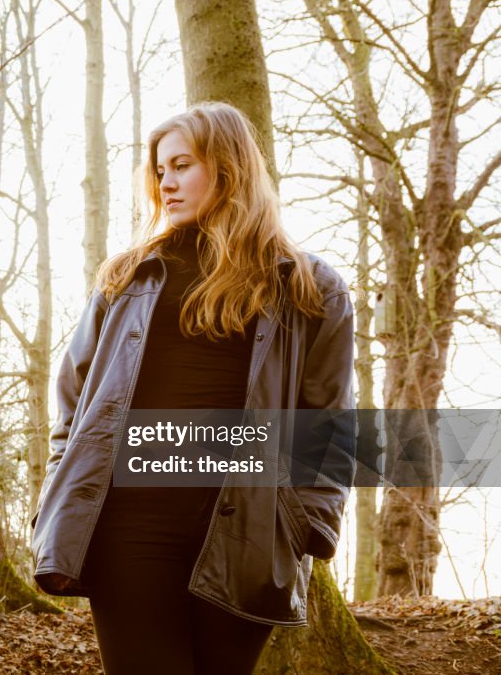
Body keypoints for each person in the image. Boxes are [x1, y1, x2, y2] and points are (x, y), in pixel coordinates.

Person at [30, 102, 356, 674]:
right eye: (160, 171)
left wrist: (309, 524)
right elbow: (74, 396)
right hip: (131, 524)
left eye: (182, 165)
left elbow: (328, 416)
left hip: (247, 529)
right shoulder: (129, 276)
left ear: (229, 168)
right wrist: (68, 482)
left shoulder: (308, 286)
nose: (167, 183)